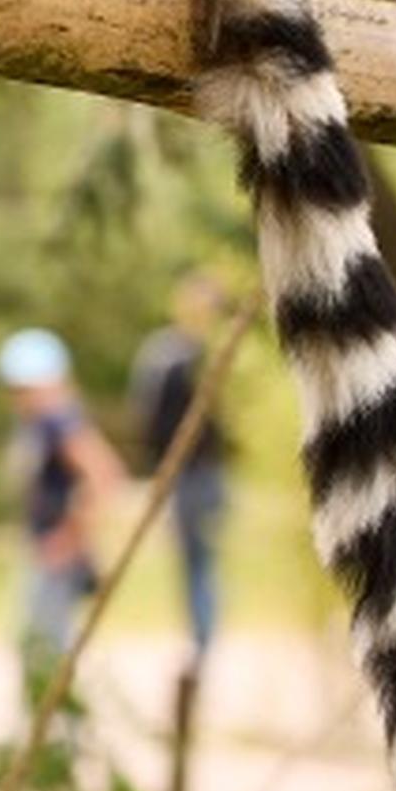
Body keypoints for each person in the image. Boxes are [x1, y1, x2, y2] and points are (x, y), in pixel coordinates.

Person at [0, 326, 125, 689]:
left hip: (56, 554)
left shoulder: (58, 420)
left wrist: (71, 536)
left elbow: (104, 475)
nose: (18, 397)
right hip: (42, 548)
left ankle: (59, 735)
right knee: (42, 645)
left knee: (45, 649)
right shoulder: (41, 423)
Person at [115, 272, 236, 660]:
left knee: (198, 560)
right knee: (202, 559)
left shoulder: (176, 355)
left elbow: (145, 417)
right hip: (198, 471)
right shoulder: (198, 354)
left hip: (196, 474)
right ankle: (204, 637)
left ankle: (202, 641)